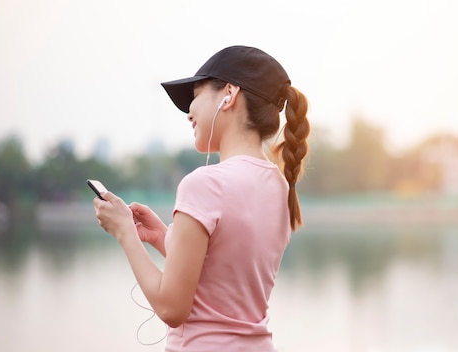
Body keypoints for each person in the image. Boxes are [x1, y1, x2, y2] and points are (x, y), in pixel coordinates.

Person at [92, 45, 310, 351]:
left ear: (229, 94)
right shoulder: (280, 186)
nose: (188, 112)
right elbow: (225, 272)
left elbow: (171, 308)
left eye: (195, 95)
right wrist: (162, 238)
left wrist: (124, 232)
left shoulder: (203, 183)